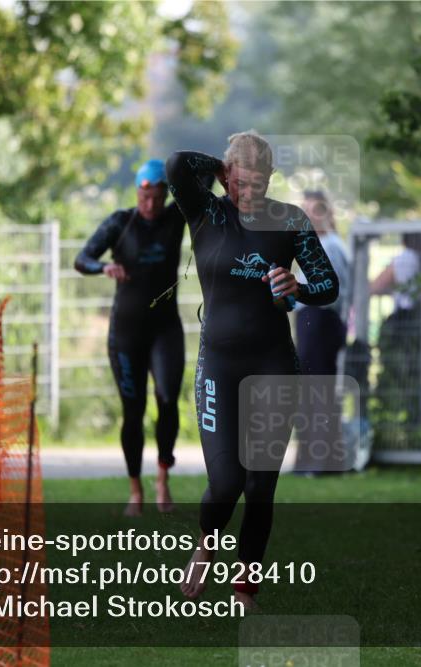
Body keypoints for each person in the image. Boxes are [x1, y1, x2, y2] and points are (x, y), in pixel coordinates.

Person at [165, 131, 339, 611]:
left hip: (273, 365)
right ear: (226, 176)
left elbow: (327, 285)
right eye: (241, 182)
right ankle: (207, 541)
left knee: (260, 487)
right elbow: (178, 162)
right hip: (219, 364)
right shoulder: (207, 212)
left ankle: (244, 591)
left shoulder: (289, 219)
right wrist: (221, 168)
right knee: (226, 485)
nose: (249, 193)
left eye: (260, 183)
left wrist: (296, 286)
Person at [74, 159, 185, 517]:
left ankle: (162, 479)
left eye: (156, 196)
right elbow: (82, 258)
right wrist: (103, 267)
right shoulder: (121, 222)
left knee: (168, 400)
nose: (150, 204)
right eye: (144, 196)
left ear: (165, 194)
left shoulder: (176, 217)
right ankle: (135, 490)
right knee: (132, 412)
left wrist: (218, 170)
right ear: (136, 191)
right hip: (126, 334)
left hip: (165, 330)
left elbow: (203, 185)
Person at [292, 190, 352, 473]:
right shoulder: (314, 245)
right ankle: (310, 458)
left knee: (319, 392)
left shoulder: (330, 246)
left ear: (327, 213)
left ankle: (322, 460)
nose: (309, 216)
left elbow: (332, 293)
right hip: (310, 321)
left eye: (315, 210)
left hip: (321, 322)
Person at [370, 233, 421, 434]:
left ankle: (401, 421)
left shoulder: (404, 258)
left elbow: (375, 286)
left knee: (401, 373)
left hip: (406, 322)